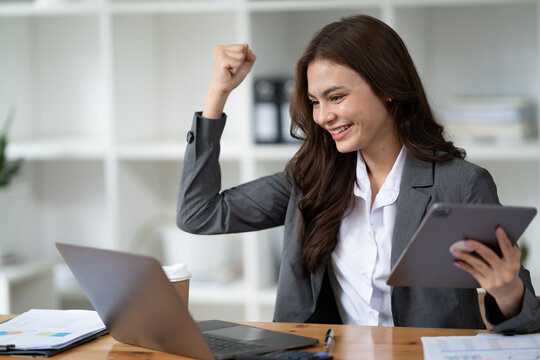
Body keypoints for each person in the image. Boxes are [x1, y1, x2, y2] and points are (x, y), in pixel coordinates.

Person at [177, 14, 539, 333]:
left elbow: (527, 320)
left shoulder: (461, 183)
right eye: (316, 102)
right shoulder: (311, 179)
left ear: (386, 89)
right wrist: (218, 94)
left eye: (336, 98)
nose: (322, 117)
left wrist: (506, 291)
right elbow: (199, 214)